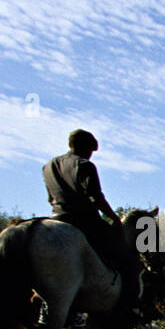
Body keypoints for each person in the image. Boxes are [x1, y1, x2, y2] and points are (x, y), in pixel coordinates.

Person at [42, 129, 137, 312]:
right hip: (84, 222)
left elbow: (50, 199)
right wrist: (114, 218)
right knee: (128, 259)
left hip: (57, 218)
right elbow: (96, 197)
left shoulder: (48, 166)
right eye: (91, 151)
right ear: (85, 147)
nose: (91, 155)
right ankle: (129, 308)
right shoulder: (85, 165)